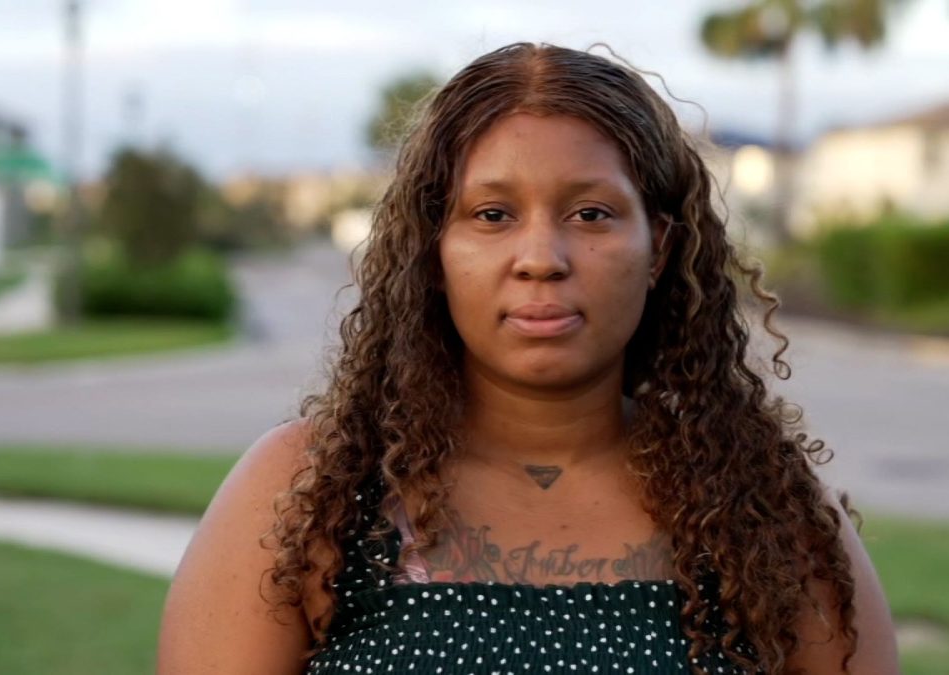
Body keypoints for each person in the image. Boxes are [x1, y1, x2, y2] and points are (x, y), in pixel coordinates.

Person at [157, 42, 899, 675]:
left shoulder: (763, 506)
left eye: (591, 214)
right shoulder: (309, 491)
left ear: (660, 249)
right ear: (435, 253)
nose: (541, 258)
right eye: (492, 215)